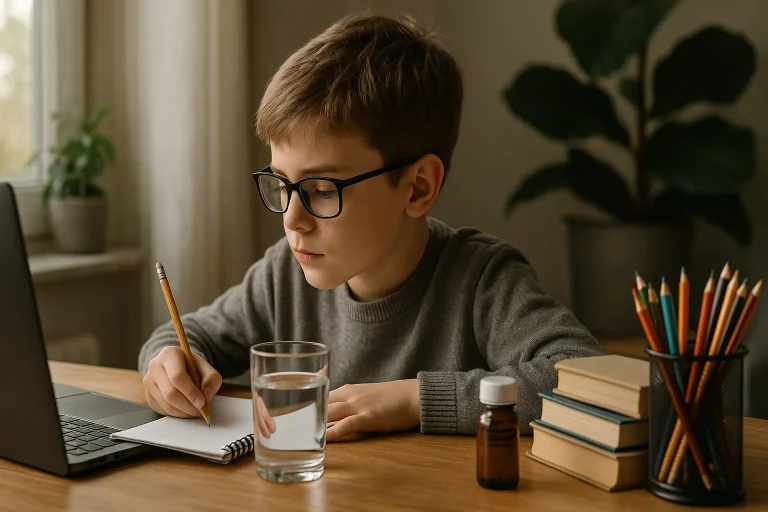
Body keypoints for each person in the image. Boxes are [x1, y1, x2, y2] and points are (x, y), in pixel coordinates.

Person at [138, 12, 606, 442]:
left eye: (321, 189)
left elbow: (587, 380)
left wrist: (414, 400)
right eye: (282, 184)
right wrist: (168, 365)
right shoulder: (283, 275)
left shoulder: (481, 281)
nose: (291, 220)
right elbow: (186, 336)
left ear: (418, 187)